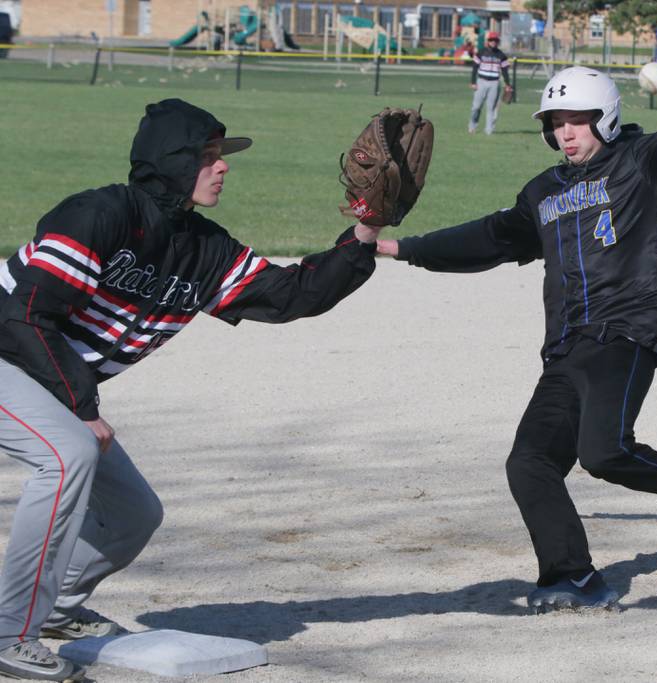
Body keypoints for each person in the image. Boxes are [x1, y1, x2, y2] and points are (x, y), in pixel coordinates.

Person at [0, 98, 381, 681]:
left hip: (48, 377)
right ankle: (9, 632)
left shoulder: (203, 248)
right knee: (69, 453)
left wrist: (365, 232)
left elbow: (291, 295)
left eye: (221, 156)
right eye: (207, 156)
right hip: (10, 351)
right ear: (171, 161)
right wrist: (82, 407)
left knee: (133, 514)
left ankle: (55, 608)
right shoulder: (98, 214)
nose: (222, 167)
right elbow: (25, 316)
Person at [376, 27, 657, 613]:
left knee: (604, 452)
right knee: (530, 463)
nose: (565, 132)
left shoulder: (646, 163)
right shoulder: (544, 193)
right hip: (568, 342)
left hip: (629, 328)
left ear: (606, 119)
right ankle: (572, 577)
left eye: (577, 119)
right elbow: (492, 238)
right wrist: (401, 248)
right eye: (556, 122)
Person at [469, 31, 513, 135]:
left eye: (495, 40)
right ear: (488, 41)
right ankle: (472, 126)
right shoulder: (481, 52)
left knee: (491, 108)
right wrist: (473, 82)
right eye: (491, 40)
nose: (493, 42)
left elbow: (505, 71)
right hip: (481, 82)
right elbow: (475, 67)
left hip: (494, 83)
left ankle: (489, 130)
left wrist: (507, 84)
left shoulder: (501, 55)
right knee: (476, 107)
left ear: (497, 41)